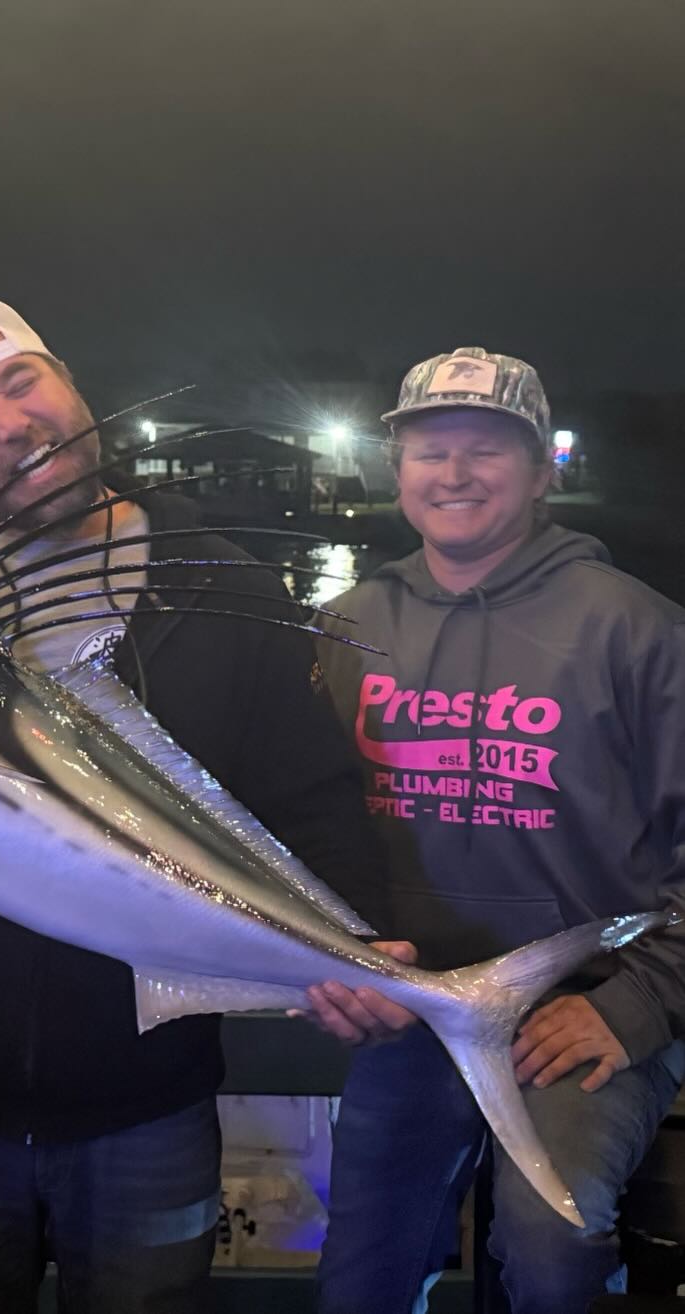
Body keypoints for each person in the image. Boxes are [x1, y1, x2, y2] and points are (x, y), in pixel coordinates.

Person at [0, 298, 386, 1314]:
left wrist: (354, 940)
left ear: (72, 393)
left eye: (22, 383)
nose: (8, 422)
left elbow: (309, 797)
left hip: (151, 1103)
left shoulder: (221, 583)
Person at [310, 346, 685, 1314]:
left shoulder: (639, 631)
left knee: (552, 1243)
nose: (456, 473)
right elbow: (298, 828)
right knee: (358, 1271)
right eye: (432, 450)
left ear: (541, 469)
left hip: (580, 1014)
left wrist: (635, 1007)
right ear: (397, 472)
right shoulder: (343, 629)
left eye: (487, 449)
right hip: (413, 1006)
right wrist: (332, 962)